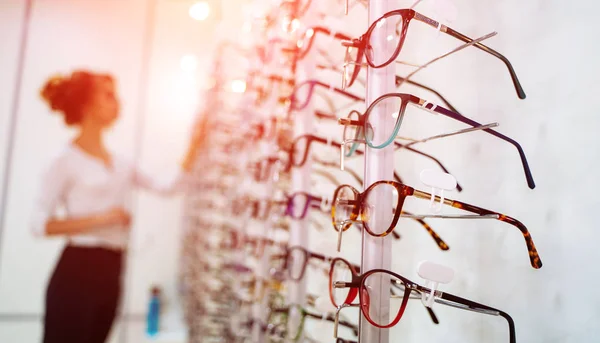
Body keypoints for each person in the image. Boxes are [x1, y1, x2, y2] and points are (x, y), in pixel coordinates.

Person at [32, 70, 202, 343]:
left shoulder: (120, 163)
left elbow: (166, 187)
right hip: (78, 268)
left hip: (112, 267)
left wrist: (195, 145)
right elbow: (39, 224)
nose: (117, 102)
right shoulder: (64, 160)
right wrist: (103, 218)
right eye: (108, 95)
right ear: (87, 104)